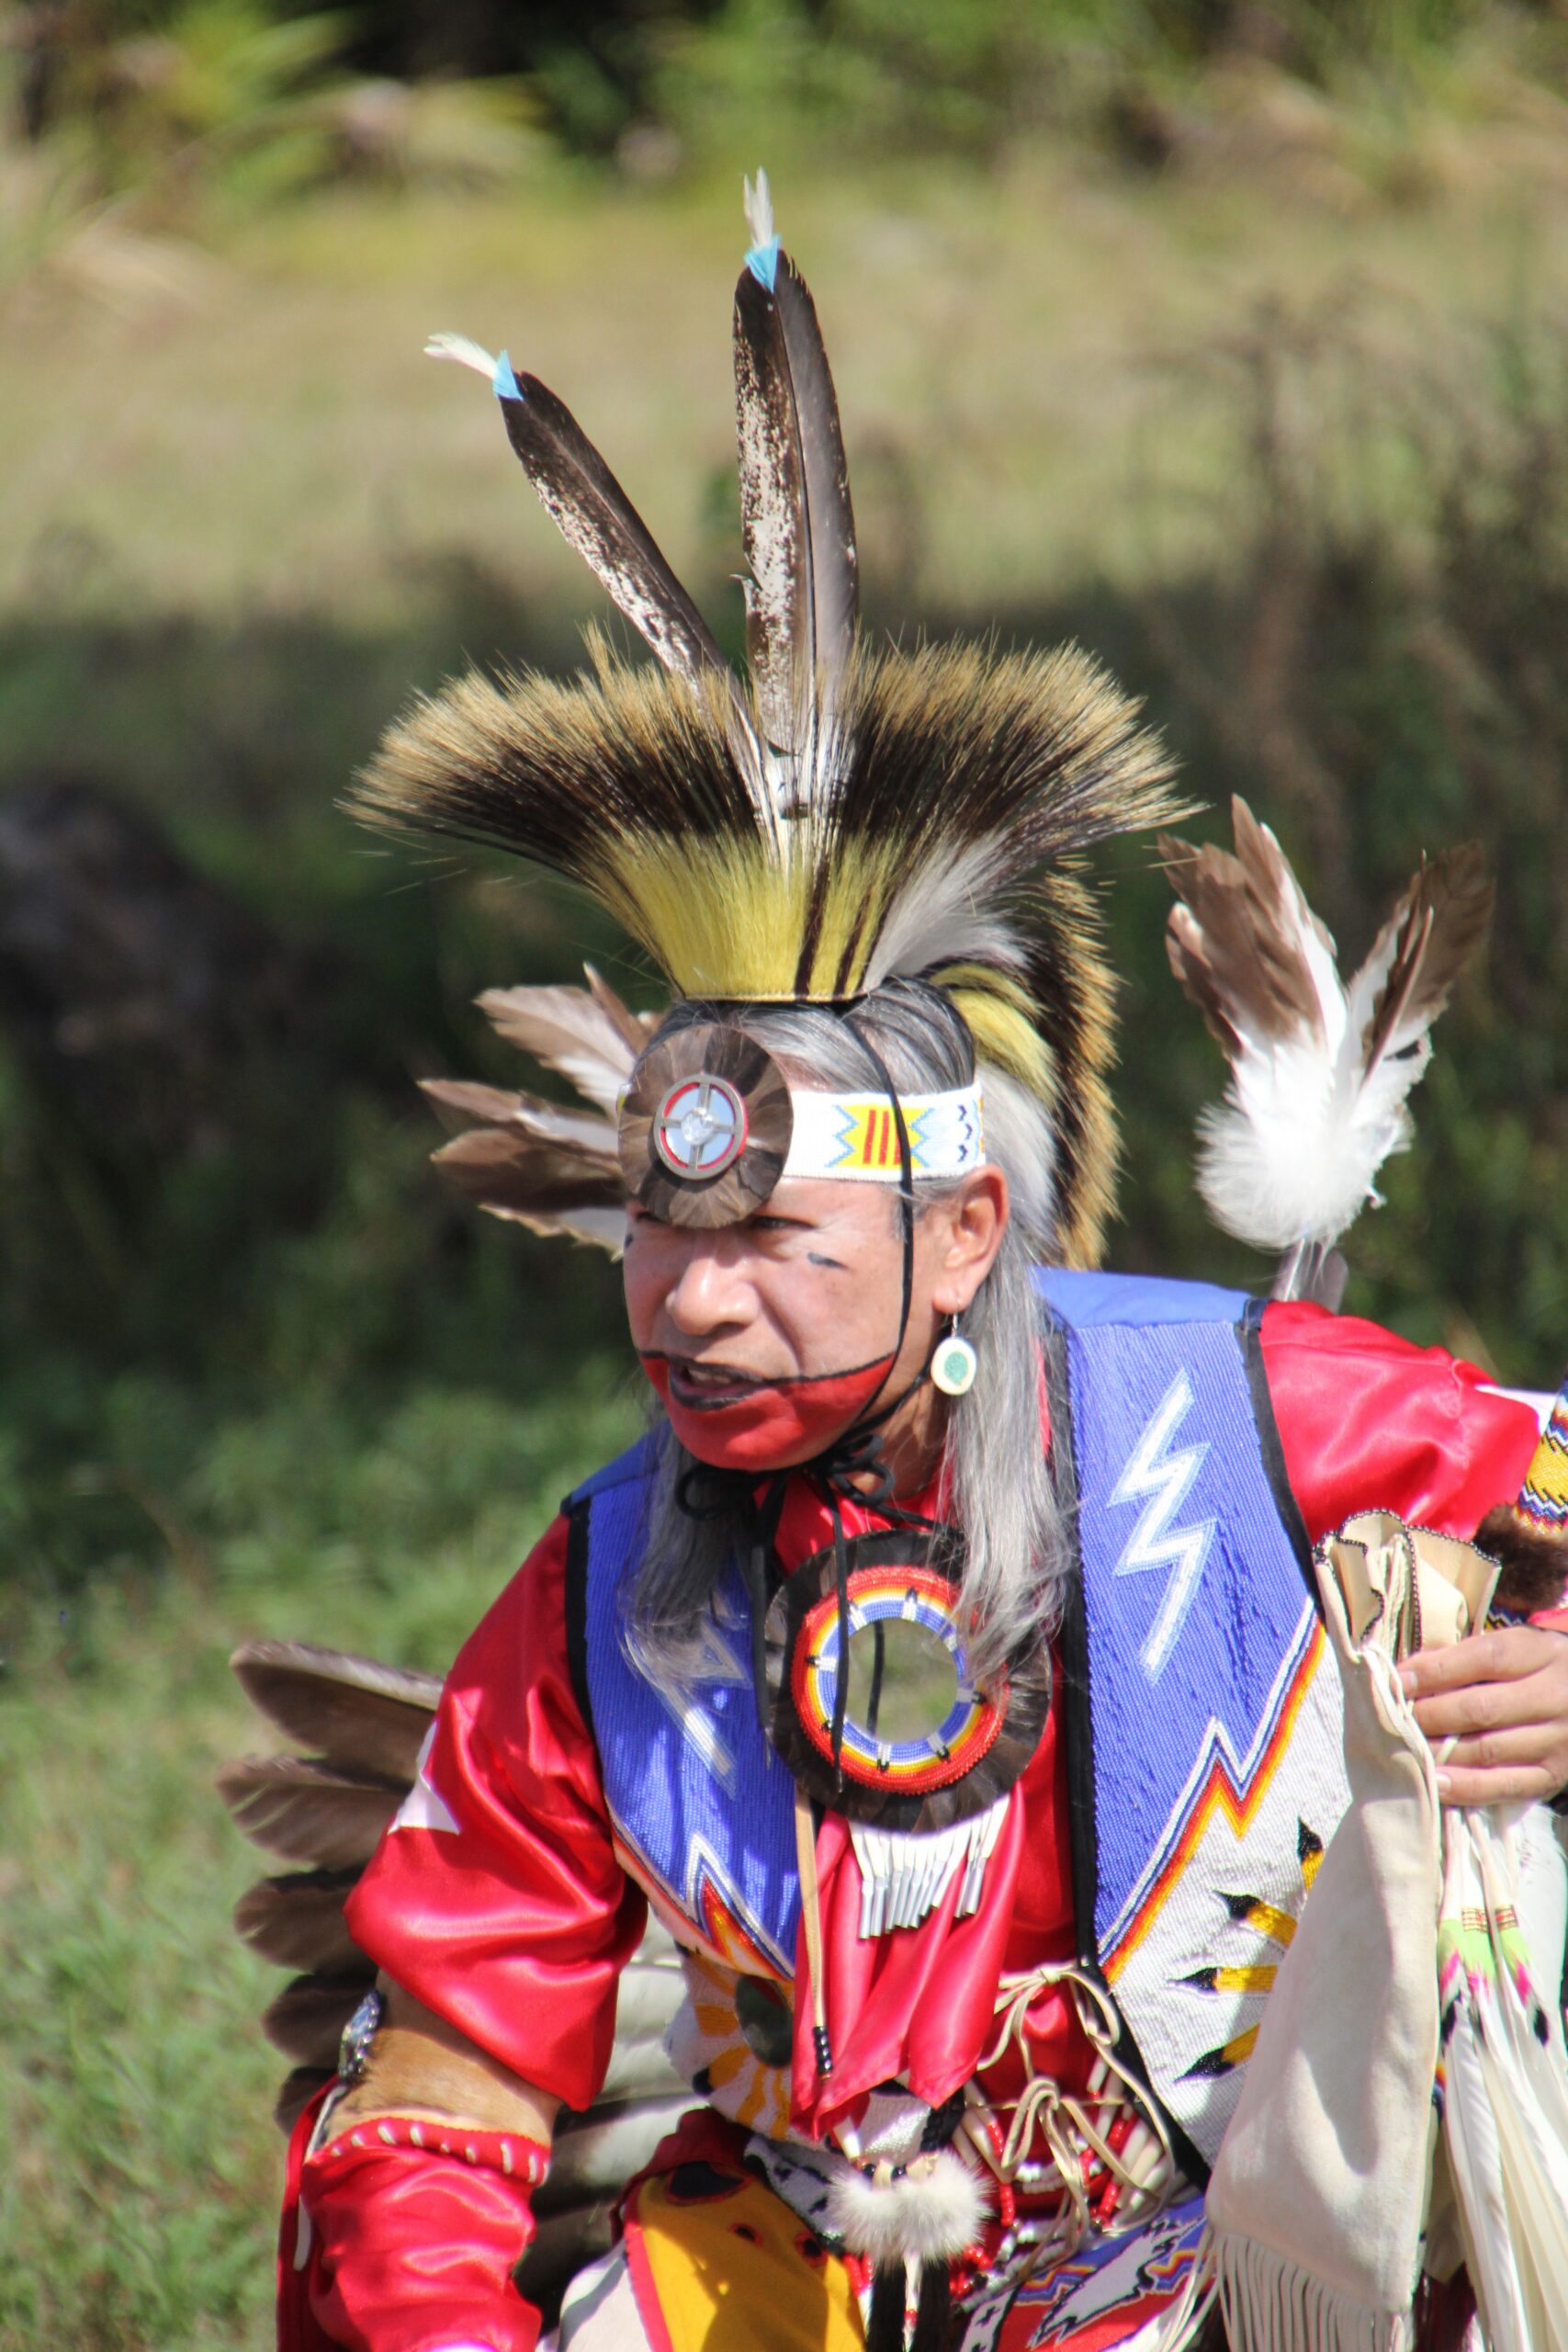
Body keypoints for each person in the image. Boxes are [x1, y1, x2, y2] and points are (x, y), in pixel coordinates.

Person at [271, 184, 1568, 2352]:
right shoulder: (602, 1596)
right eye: (665, 1236)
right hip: (824, 2265)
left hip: (1293, 2246)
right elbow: (437, 2106)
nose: (690, 1303)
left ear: (963, 1229)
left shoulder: (1243, 1416)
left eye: (771, 1236)